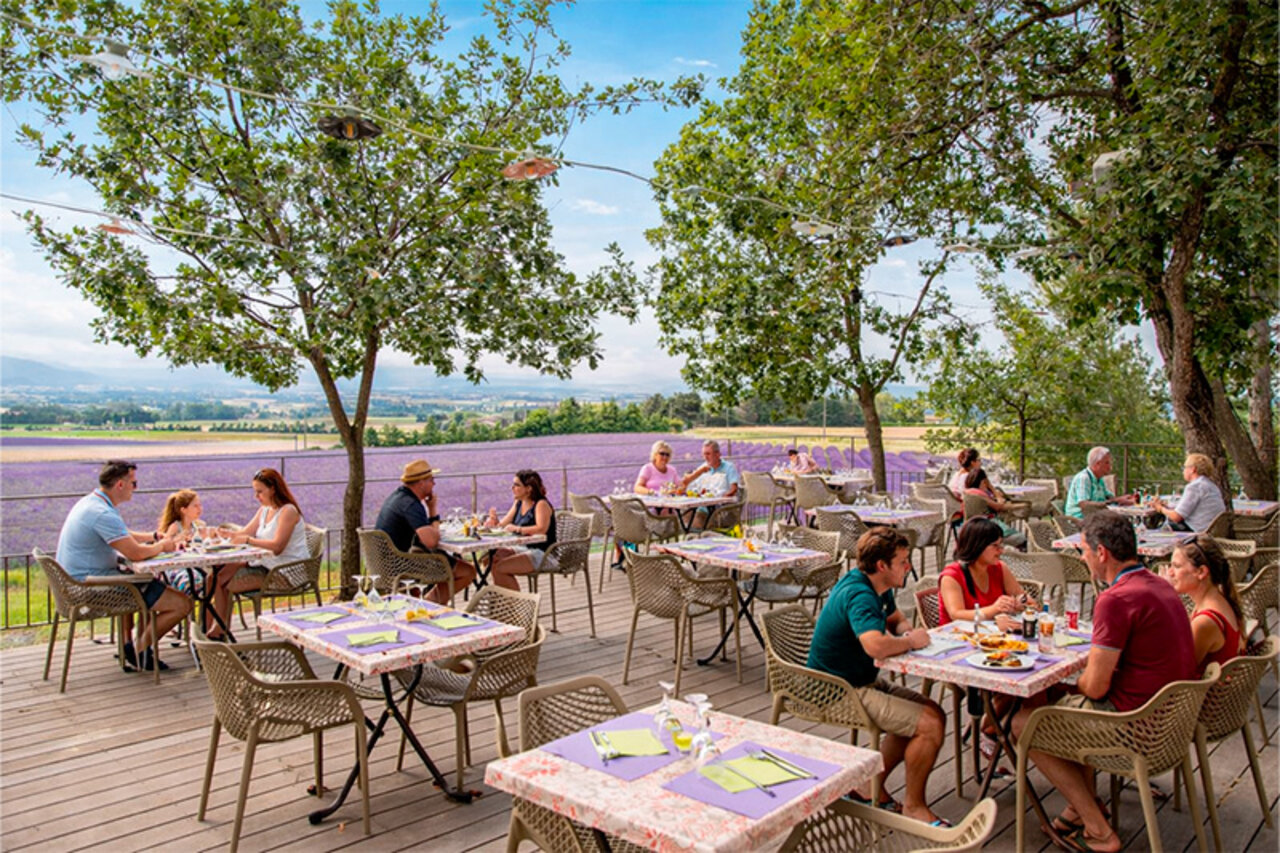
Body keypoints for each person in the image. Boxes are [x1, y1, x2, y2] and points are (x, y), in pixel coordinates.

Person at [1012, 511, 1194, 853]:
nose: (1082, 558)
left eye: (1083, 550)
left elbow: (1095, 688)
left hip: (1135, 727)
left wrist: (1071, 685)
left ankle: (1098, 829)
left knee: (1027, 724)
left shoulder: (1115, 598)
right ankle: (1079, 808)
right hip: (1172, 723)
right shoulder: (1161, 586)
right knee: (1059, 706)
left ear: (1102, 553)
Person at [807, 527, 949, 826]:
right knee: (930, 724)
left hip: (859, 680)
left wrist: (906, 632)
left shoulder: (877, 587)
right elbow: (875, 645)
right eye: (903, 561)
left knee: (933, 711)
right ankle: (914, 807)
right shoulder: (860, 594)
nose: (908, 566)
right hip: (836, 690)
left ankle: (866, 784)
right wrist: (911, 642)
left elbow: (895, 619)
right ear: (882, 566)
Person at [54, 460, 190, 672]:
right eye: (133, 483)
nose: (136, 488)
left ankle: (129, 646)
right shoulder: (103, 513)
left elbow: (122, 534)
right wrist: (163, 546)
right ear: (120, 485)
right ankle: (138, 651)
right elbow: (135, 553)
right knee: (182, 604)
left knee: (146, 584)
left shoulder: (92, 503)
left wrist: (153, 537)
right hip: (92, 587)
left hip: (76, 583)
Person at [216, 468, 310, 636]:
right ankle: (214, 628)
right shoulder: (264, 510)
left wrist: (247, 541)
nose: (256, 496)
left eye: (260, 491)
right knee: (215, 577)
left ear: (273, 488)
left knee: (222, 582)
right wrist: (222, 535)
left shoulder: (288, 511)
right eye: (255, 491)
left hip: (285, 572)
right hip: (266, 565)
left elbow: (278, 546)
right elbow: (245, 533)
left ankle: (219, 630)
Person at [374, 459, 476, 603]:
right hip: (397, 566)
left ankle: (427, 604)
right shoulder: (411, 505)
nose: (434, 484)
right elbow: (431, 542)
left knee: (436, 561)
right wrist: (433, 510)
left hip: (383, 562)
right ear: (422, 482)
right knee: (467, 571)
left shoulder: (398, 497)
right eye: (431, 480)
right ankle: (430, 605)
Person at [1162, 535, 1244, 674]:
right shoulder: (1216, 598)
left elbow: (1179, 672)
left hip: (1203, 694)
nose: (1170, 573)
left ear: (1201, 572)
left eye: (1176, 566)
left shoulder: (1205, 621)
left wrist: (1164, 596)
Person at [938, 518, 1029, 629]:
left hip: (992, 635)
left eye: (1001, 545)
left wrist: (1020, 602)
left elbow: (1022, 596)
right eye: (995, 546)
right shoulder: (952, 576)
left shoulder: (999, 568)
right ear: (977, 546)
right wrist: (995, 609)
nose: (1001, 551)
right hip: (957, 638)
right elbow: (956, 615)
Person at [489, 470, 558, 590]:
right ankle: (507, 601)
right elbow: (503, 524)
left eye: (516, 485)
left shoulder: (541, 504)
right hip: (525, 548)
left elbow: (541, 529)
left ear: (528, 488)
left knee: (500, 568)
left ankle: (515, 605)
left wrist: (518, 529)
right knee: (492, 558)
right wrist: (494, 522)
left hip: (543, 553)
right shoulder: (518, 503)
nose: (512, 488)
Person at [1151, 453, 1227, 532]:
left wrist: (1160, 508)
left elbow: (1176, 517)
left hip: (1200, 531)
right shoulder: (1211, 485)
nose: (1183, 471)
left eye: (1184, 467)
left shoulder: (1195, 487)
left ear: (1192, 469)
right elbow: (1187, 509)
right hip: (1214, 530)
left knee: (1161, 528)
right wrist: (1167, 507)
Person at [679, 439, 742, 530]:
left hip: (719, 510)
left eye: (708, 454)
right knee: (681, 520)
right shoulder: (704, 467)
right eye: (704, 454)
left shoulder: (729, 467)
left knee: (692, 524)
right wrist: (699, 472)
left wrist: (721, 498)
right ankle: (692, 537)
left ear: (717, 454)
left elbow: (733, 489)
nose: (705, 457)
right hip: (699, 507)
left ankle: (696, 536)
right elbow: (684, 483)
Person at [155, 489, 206, 596]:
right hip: (176, 566)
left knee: (209, 577)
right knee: (193, 580)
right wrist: (177, 539)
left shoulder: (198, 526)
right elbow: (165, 546)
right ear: (184, 510)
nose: (199, 509)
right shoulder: (175, 527)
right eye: (195, 506)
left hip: (195, 563)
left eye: (200, 505)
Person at [962, 468, 1028, 549]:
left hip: (969, 527)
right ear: (983, 482)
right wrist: (992, 488)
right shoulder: (981, 495)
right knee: (1021, 538)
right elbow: (999, 507)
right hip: (986, 528)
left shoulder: (967, 493)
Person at [1064, 446, 1135, 519]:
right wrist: (1112, 501)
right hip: (1080, 519)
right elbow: (1084, 505)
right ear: (1097, 464)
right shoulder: (1084, 478)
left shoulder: (1099, 479)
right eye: (1107, 463)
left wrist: (1123, 500)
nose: (1110, 466)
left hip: (1096, 517)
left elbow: (1108, 497)